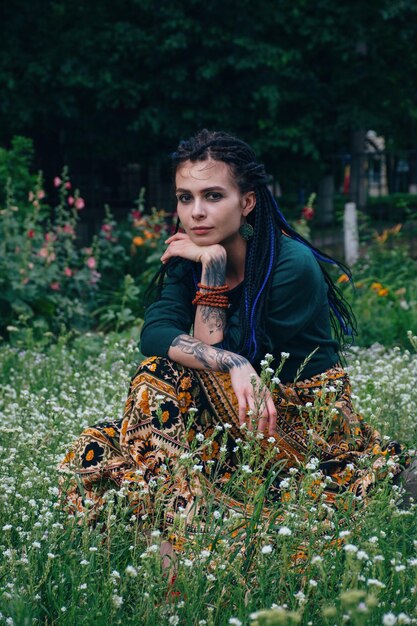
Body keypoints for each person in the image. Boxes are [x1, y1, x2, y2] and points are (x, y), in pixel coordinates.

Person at [59, 130, 409, 549]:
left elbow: (239, 359)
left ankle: (181, 536)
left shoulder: (290, 265)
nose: (196, 213)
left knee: (161, 376)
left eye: (212, 196)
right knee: (94, 447)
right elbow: (155, 333)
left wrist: (217, 299)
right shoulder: (191, 254)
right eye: (185, 198)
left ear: (247, 202)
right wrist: (210, 272)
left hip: (296, 418)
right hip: (227, 411)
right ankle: (186, 516)